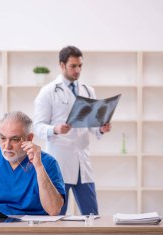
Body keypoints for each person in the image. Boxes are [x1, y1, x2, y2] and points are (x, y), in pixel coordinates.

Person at [33, 46, 111, 215]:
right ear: (62, 65)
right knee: (57, 215)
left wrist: (102, 128)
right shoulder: (48, 91)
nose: (78, 70)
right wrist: (55, 128)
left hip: (83, 161)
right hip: (59, 161)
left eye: (80, 66)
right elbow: (37, 126)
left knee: (92, 214)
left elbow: (92, 125)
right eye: (73, 66)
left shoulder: (88, 90)